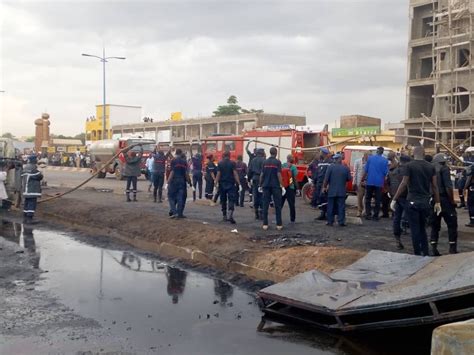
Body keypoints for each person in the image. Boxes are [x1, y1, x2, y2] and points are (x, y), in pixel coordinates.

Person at [392, 146, 441, 256]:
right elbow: (434, 186)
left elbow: (404, 183)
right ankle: (425, 252)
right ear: (424, 154)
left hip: (412, 201)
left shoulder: (409, 166)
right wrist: (438, 202)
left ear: (413, 154)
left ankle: (417, 254)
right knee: (422, 228)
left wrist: (394, 198)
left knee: (415, 229)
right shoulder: (431, 166)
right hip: (425, 202)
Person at [430, 153, 458, 255]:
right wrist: (452, 201)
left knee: (435, 225)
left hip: (433, 200)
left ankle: (433, 247)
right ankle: (452, 248)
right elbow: (448, 187)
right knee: (452, 224)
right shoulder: (444, 169)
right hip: (444, 199)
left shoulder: (430, 168)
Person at [388, 154, 411, 250]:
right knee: (409, 216)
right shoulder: (406, 172)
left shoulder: (393, 171)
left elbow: (388, 183)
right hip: (405, 196)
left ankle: (397, 239)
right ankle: (405, 228)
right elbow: (405, 185)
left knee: (396, 217)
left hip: (395, 197)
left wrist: (391, 194)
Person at [323, 153, 351, 227]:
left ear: (338, 159)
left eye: (335, 159)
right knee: (341, 207)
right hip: (341, 191)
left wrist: (324, 187)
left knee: (330, 206)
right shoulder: (346, 168)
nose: (334, 160)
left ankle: (330, 221)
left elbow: (326, 179)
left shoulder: (330, 168)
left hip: (332, 191)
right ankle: (341, 221)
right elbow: (349, 179)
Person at [260, 147, 283, 230]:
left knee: (265, 205)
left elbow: (262, 174)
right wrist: (282, 185)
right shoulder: (278, 162)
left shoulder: (264, 162)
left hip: (266, 186)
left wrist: (260, 184)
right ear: (276, 153)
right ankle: (279, 224)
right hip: (275, 186)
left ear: (270, 153)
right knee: (277, 205)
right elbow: (279, 174)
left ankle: (265, 224)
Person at [362, 147, 388, 221]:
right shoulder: (385, 161)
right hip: (379, 183)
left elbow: (365, 170)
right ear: (382, 152)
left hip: (370, 181)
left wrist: (362, 179)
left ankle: (368, 214)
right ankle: (375, 216)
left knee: (368, 198)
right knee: (378, 199)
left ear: (376, 151)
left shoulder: (370, 158)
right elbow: (385, 173)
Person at [215, 151, 241, 224]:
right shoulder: (233, 163)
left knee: (223, 200)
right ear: (229, 156)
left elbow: (218, 174)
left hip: (222, 184)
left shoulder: (220, 163)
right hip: (230, 184)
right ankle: (230, 214)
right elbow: (235, 174)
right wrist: (239, 183)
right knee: (231, 199)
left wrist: (215, 183)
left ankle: (224, 216)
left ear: (223, 156)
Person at [167, 149, 192, 219]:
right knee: (181, 198)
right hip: (182, 181)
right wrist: (189, 182)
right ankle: (179, 214)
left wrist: (168, 182)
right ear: (181, 154)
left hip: (174, 181)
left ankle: (174, 212)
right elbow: (186, 174)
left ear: (176, 153)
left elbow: (172, 172)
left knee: (171, 197)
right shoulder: (184, 162)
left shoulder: (173, 161)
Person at [21, 155, 43, 224]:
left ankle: (25, 216)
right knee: (32, 203)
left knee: (26, 203)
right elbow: (39, 176)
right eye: (36, 159)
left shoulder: (25, 167)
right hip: (31, 190)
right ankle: (30, 218)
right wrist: (40, 170)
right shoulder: (33, 168)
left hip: (25, 189)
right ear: (34, 160)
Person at [314, 148, 332, 220]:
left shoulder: (329, 162)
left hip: (324, 184)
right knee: (320, 199)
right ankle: (322, 213)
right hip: (319, 183)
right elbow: (318, 172)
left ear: (324, 153)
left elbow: (329, 174)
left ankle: (327, 214)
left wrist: (327, 185)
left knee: (325, 199)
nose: (320, 153)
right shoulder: (320, 162)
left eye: (321, 152)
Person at [248, 148, 265, 220]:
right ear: (262, 153)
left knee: (255, 196)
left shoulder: (253, 160)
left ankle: (256, 213)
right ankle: (261, 213)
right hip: (262, 180)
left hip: (254, 179)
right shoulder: (264, 160)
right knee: (262, 196)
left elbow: (249, 171)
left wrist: (249, 179)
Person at [281, 154, 298, 224]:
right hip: (290, 188)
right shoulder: (293, 167)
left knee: (280, 204)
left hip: (282, 188)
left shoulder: (282, 165)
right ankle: (292, 219)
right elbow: (294, 178)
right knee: (291, 205)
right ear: (291, 159)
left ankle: (278, 218)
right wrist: (296, 188)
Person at [352, 152, 368, 217]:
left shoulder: (369, 162)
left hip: (367, 182)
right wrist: (354, 182)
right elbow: (355, 172)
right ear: (364, 156)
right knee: (359, 197)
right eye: (368, 156)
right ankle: (359, 210)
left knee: (366, 198)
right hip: (359, 182)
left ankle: (365, 210)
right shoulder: (357, 161)